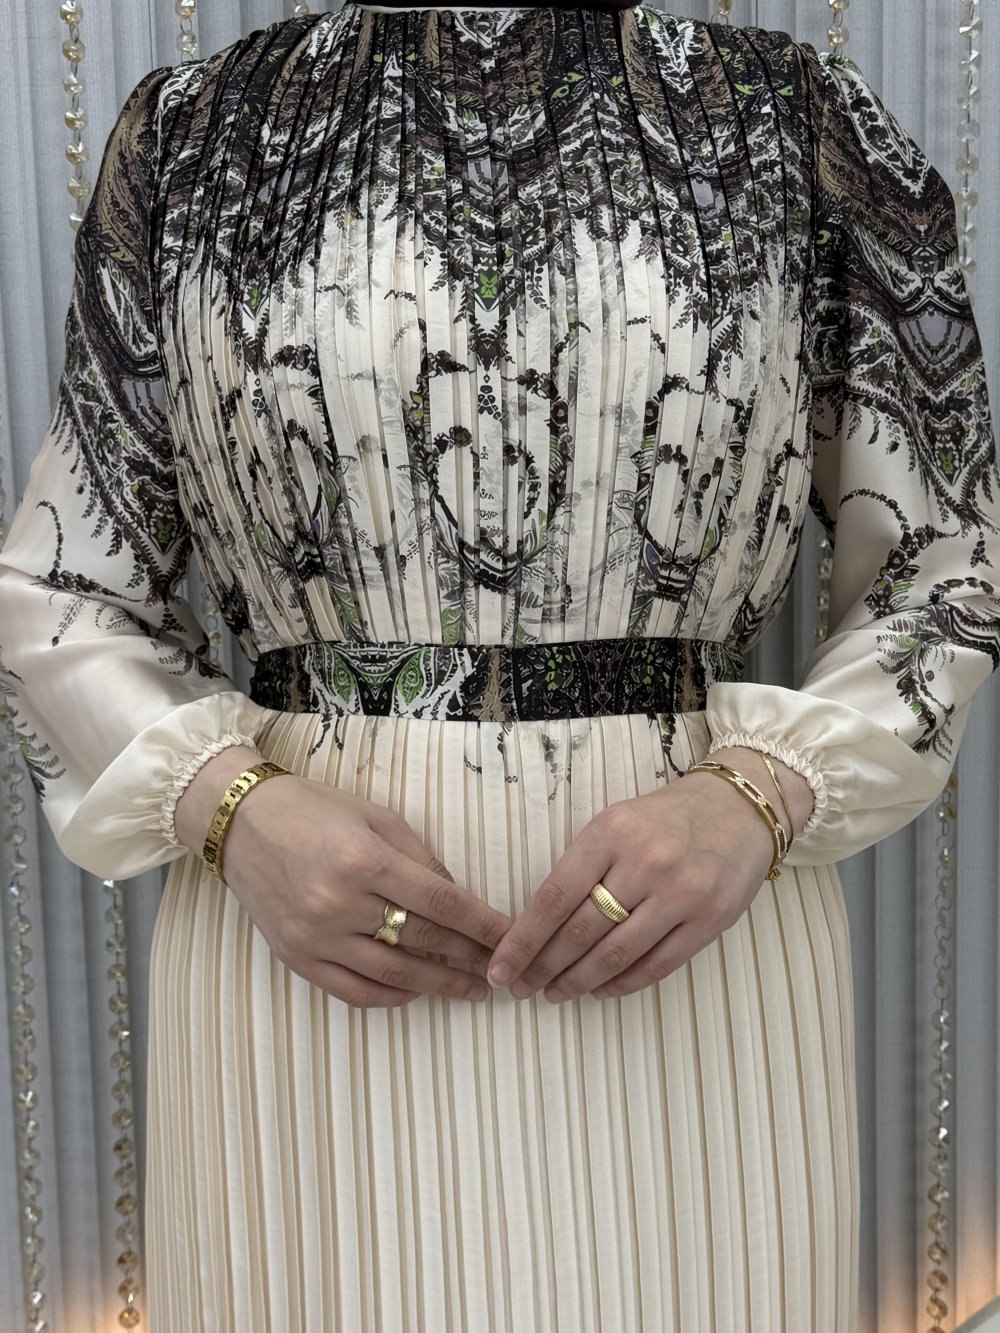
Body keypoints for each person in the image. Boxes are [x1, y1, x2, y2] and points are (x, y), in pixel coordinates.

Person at [1, 1, 998, 1328]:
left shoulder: (795, 125)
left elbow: (946, 559)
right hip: (302, 949)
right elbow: (67, 590)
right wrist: (230, 809)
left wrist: (761, 795)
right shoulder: (194, 141)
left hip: (694, 937)